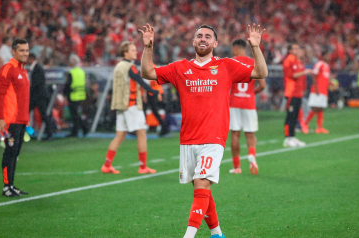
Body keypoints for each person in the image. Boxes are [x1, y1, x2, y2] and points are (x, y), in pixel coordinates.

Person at [139, 23, 268, 238]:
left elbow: (260, 72)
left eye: (208, 36)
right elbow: (148, 72)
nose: (203, 39)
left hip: (214, 137)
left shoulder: (227, 65)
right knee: (201, 189)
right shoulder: (180, 68)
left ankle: (188, 235)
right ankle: (217, 233)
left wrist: (255, 47)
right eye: (199, 35)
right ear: (193, 41)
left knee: (201, 183)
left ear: (215, 43)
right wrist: (148, 47)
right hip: (188, 138)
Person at [101, 41, 159, 174]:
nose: (135, 52)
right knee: (142, 134)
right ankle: (143, 167)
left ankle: (107, 165)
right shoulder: (130, 67)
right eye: (132, 50)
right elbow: (139, 81)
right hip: (131, 105)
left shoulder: (118, 66)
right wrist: (153, 91)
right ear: (125, 52)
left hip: (121, 105)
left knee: (120, 135)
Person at [0, 38, 30, 197]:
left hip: (21, 120)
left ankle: (11, 185)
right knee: (10, 151)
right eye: (21, 50)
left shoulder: (23, 70)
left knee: (15, 152)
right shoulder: (8, 68)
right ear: (13, 51)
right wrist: (0, 117)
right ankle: (6, 187)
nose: (25, 53)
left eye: (27, 50)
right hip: (10, 120)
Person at [228, 39, 266, 175]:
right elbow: (262, 85)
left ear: (236, 48)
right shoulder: (253, 62)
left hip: (234, 102)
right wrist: (251, 93)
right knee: (250, 134)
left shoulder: (230, 62)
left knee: (235, 134)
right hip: (248, 102)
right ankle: (251, 154)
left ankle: (237, 166)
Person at [282, 43, 312, 147]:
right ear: (289, 50)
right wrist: (304, 72)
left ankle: (292, 137)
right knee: (290, 116)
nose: (297, 50)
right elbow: (291, 75)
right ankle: (287, 139)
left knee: (295, 116)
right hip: (291, 92)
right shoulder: (289, 60)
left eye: (298, 48)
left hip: (297, 93)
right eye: (295, 48)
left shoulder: (296, 60)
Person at [301, 50, 332, 134]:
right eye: (327, 55)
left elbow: (325, 79)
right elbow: (314, 75)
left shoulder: (327, 66)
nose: (329, 57)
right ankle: (304, 123)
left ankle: (319, 127)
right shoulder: (319, 64)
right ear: (323, 56)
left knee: (321, 108)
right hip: (317, 90)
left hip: (324, 91)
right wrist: (316, 88)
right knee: (315, 108)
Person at [27, 53, 53, 140]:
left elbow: (36, 84)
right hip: (36, 96)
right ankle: (49, 133)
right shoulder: (36, 68)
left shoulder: (37, 68)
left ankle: (49, 133)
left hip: (39, 96)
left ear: (31, 59)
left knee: (44, 115)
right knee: (42, 115)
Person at [63, 54, 89, 137]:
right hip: (81, 95)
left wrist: (64, 94)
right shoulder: (81, 71)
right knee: (76, 114)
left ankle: (83, 129)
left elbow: (68, 85)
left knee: (75, 115)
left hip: (73, 95)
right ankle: (78, 130)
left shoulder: (72, 72)